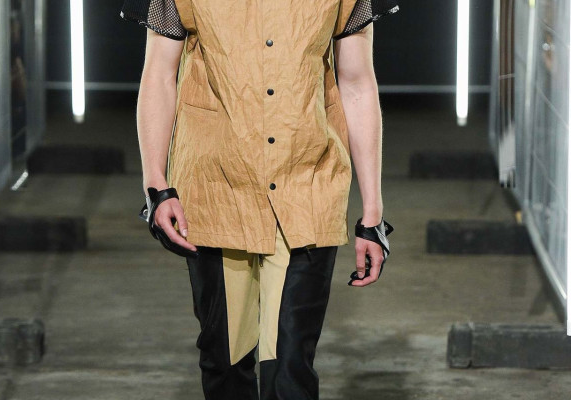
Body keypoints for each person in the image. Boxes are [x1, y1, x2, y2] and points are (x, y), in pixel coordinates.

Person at [120, 1, 398, 399]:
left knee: (290, 369)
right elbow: (160, 74)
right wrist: (156, 185)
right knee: (225, 361)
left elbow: (356, 82)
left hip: (308, 183)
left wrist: (372, 213)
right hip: (216, 185)